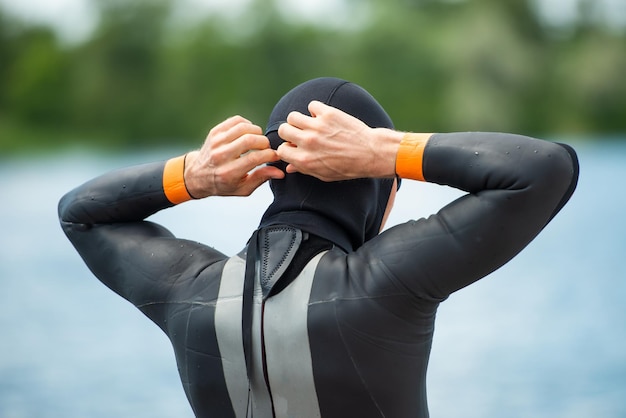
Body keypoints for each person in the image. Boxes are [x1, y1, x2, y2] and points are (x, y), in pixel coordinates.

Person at [58, 77, 579, 418]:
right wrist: (386, 151)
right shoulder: (384, 283)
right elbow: (545, 169)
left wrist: (191, 176)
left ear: (270, 178)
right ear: (381, 186)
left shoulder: (188, 292)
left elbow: (79, 214)